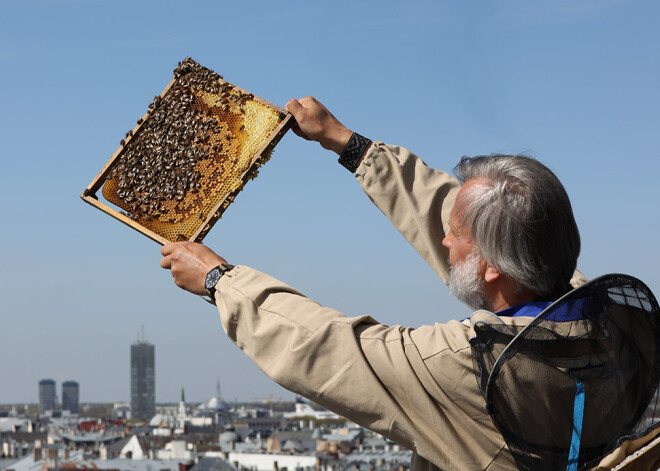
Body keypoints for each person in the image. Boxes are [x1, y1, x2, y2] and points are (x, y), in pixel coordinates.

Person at [160, 97, 659, 470]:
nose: (443, 241)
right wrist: (347, 143)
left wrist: (219, 281)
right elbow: (461, 212)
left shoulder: (460, 369)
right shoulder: (614, 320)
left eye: (456, 236)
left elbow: (329, 349)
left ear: (491, 266)